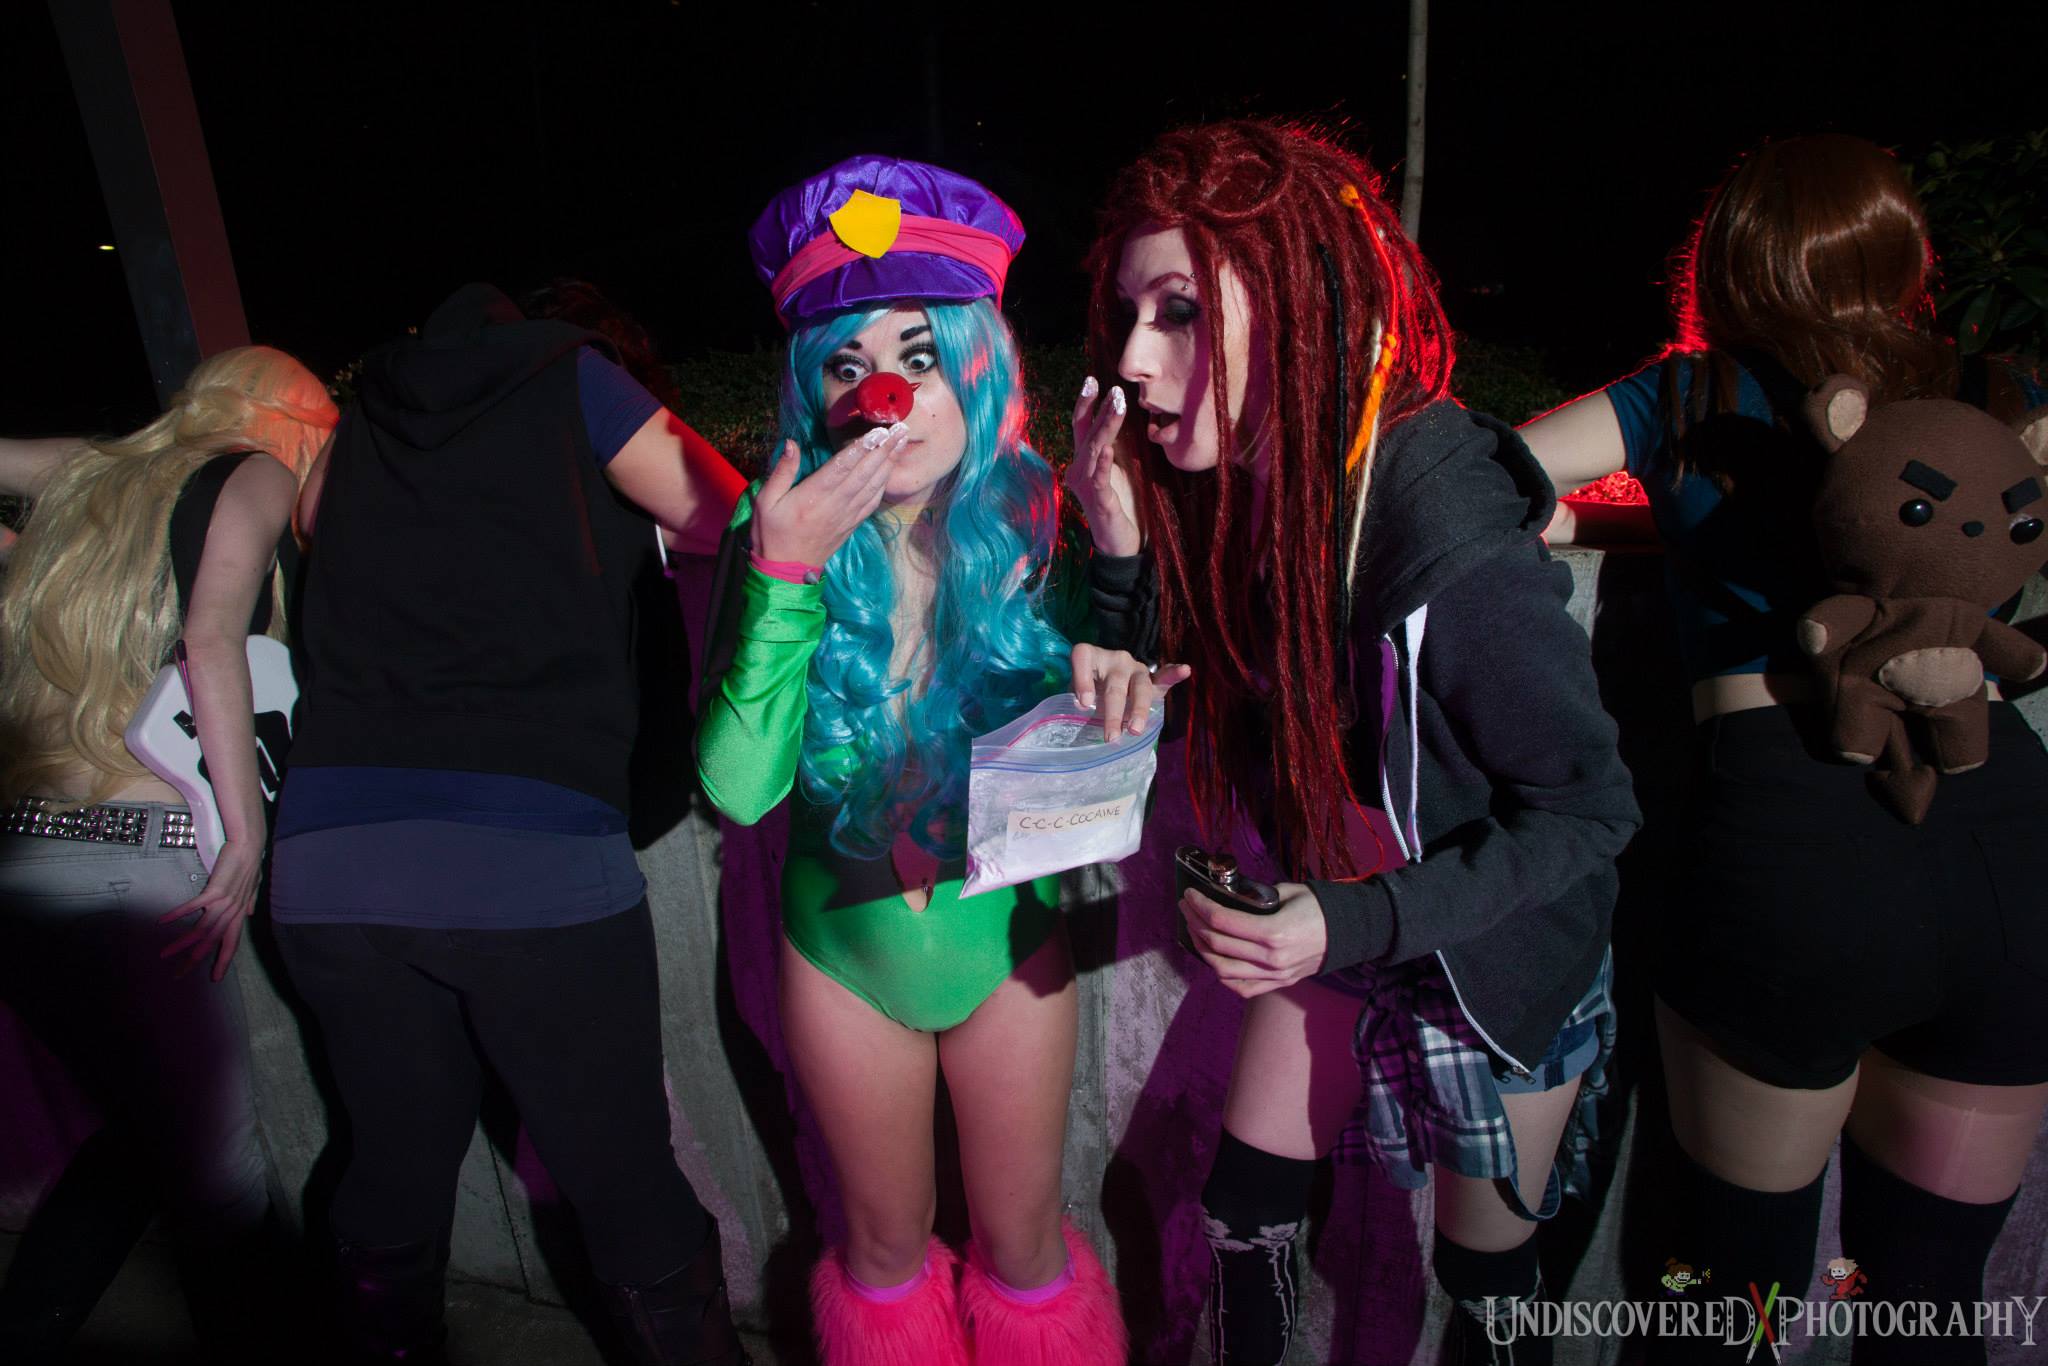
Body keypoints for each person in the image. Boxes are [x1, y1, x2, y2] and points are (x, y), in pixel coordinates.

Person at [1071, 120, 1641, 1365]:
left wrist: (1352, 920)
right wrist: (1116, 554)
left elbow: (1589, 811)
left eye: (1177, 313)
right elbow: (1194, 665)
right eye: (1127, 315)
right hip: (1337, 913)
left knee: (1483, 1280)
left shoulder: (1443, 535)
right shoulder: (1244, 485)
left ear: (1299, 307)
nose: (1129, 359)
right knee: (1242, 1214)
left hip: (1489, 943)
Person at [1520, 134, 2048, 1365]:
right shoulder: (1989, 391)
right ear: (1902, 254)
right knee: (1930, 1299)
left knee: (1729, 1290)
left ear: (1729, 259)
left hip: (1796, 841)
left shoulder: (1693, 395)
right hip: (2002, 831)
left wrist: (1652, 523)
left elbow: (1489, 480)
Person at [701, 155, 1165, 1366]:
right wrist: (784, 573)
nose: (882, 396)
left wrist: (1118, 555)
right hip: (844, 962)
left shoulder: (1037, 518)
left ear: (973, 370)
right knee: (881, 1252)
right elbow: (739, 787)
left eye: (916, 355)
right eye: (844, 364)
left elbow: (1112, 735)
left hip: (1004, 946)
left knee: (1023, 1251)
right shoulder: (775, 527)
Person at [272, 283, 749, 1366]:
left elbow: (308, 525)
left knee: (391, 1161)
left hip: (329, 855)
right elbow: (728, 513)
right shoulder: (573, 377)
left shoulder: (368, 413)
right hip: (525, 850)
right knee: (622, 1179)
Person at [0, 346, 338, 1364]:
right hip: (134, 864)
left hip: (24, 855)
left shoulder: (93, 472)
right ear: (290, 425)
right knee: (219, 1176)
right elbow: (211, 637)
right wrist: (247, 832)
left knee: (146, 1137)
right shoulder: (256, 470)